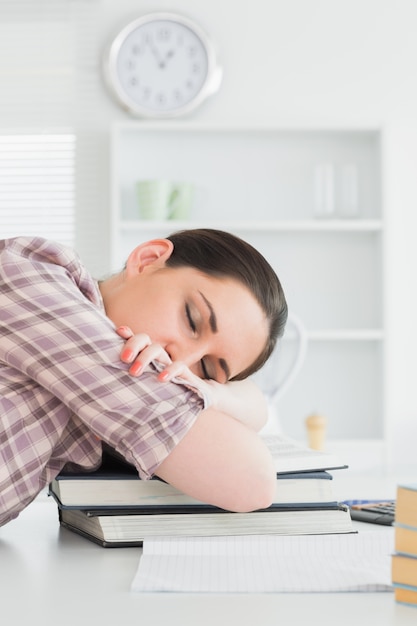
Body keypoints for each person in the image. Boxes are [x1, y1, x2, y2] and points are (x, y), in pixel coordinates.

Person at [0, 229, 287, 527]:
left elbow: (251, 480)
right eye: (191, 319)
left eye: (206, 368)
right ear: (148, 259)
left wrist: (214, 393)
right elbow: (253, 480)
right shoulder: (33, 272)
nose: (181, 362)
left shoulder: (96, 415)